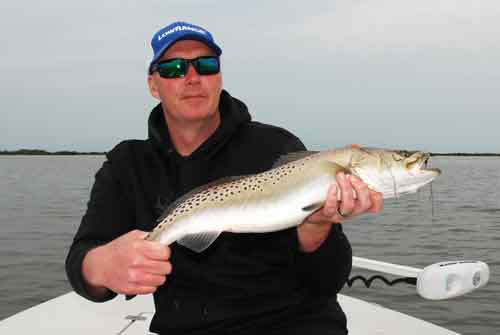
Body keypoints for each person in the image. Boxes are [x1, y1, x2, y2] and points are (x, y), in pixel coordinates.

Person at [65, 21, 383, 335]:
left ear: (219, 76)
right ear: (153, 84)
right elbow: (82, 257)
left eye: (205, 65)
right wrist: (102, 266)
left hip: (294, 323)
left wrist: (316, 227)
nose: (192, 78)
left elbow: (327, 282)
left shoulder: (279, 150)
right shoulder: (128, 165)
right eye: (174, 68)